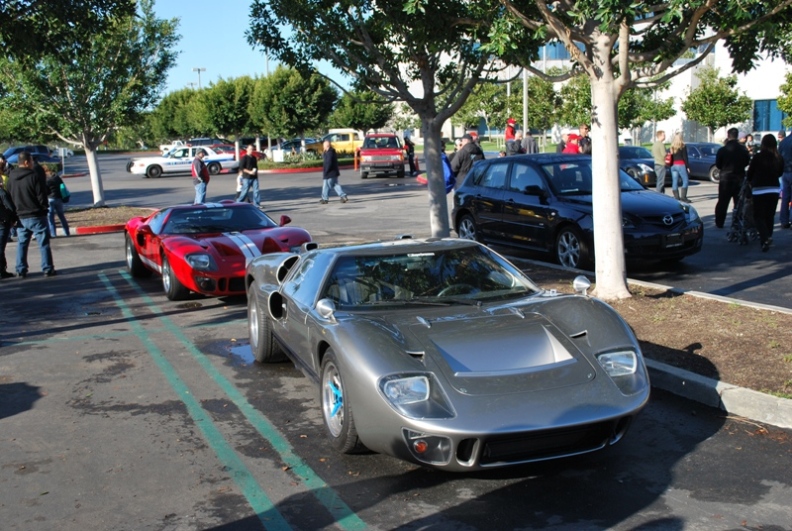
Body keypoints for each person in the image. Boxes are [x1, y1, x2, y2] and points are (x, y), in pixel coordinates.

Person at [7, 151, 55, 277]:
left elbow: (10, 196)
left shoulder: (11, 177)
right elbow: (41, 195)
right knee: (43, 243)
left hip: (20, 215)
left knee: (22, 244)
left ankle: (21, 269)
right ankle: (47, 268)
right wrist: (44, 209)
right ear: (27, 162)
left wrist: (14, 214)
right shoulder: (34, 176)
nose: (33, 163)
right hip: (36, 215)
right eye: (32, 161)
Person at [746, 134, 784, 252]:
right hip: (773, 189)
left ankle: (765, 237)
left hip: (759, 189)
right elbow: (780, 173)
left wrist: (750, 181)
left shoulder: (758, 157)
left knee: (758, 216)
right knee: (769, 215)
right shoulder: (778, 157)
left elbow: (750, 173)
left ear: (763, 144)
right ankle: (767, 237)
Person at [715, 127, 751, 229]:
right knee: (738, 202)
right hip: (739, 177)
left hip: (726, 178)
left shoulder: (722, 150)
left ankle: (719, 222)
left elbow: (718, 164)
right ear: (737, 136)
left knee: (723, 201)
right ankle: (736, 221)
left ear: (728, 135)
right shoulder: (743, 150)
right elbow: (746, 162)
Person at [320, 140, 348, 204]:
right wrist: (324, 152)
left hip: (330, 172)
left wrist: (326, 171)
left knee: (330, 185)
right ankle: (326, 198)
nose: (323, 146)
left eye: (324, 145)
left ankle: (326, 198)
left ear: (326, 146)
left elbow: (329, 163)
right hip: (331, 172)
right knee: (330, 185)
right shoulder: (329, 152)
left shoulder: (330, 153)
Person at [0, 177, 18, 278]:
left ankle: (2, 270)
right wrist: (13, 219)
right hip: (2, 223)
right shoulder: (2, 193)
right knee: (1, 248)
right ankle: (1, 271)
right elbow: (11, 208)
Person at [45, 167, 70, 237]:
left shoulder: (46, 179)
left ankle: (53, 234)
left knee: (51, 218)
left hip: (50, 199)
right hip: (59, 199)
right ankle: (66, 232)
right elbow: (62, 186)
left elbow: (45, 191)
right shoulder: (57, 178)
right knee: (61, 216)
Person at [668, 132, 691, 202]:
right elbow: (685, 157)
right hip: (680, 164)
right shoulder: (682, 146)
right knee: (685, 180)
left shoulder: (672, 147)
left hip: (673, 165)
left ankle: (676, 197)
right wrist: (687, 167)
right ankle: (683, 197)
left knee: (675, 181)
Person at [778, 129, 792, 229]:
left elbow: (779, 157)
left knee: (785, 197)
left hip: (785, 172)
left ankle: (784, 220)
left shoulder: (783, 142)